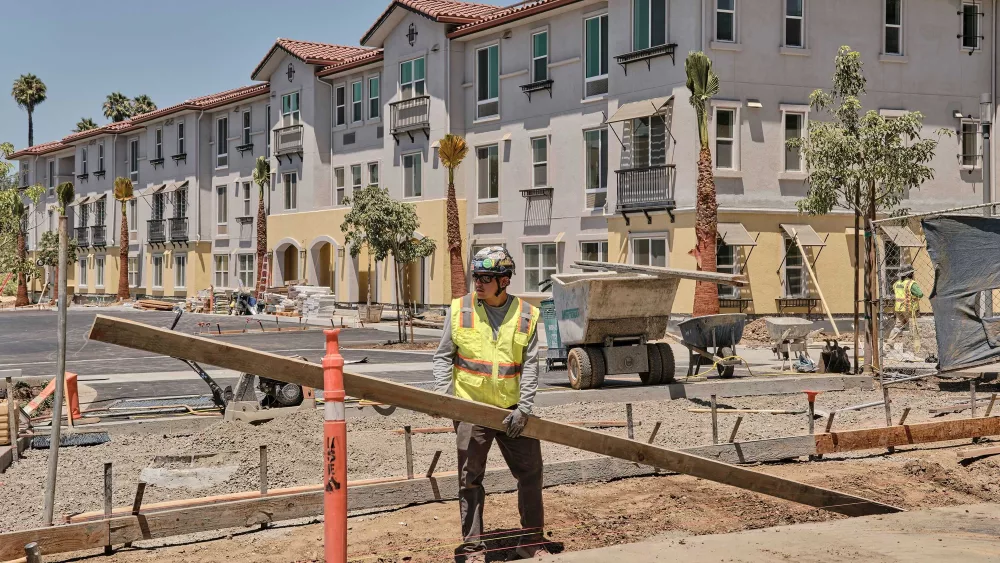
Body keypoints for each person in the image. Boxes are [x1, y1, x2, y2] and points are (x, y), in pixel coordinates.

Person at [432, 246, 548, 562]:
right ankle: (472, 548)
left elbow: (531, 364)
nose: (478, 284)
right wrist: (448, 401)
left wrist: (524, 409)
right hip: (471, 409)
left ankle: (531, 540)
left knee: (531, 474)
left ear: (504, 281)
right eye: (476, 277)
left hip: (513, 411)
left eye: (485, 277)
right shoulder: (460, 310)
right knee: (469, 480)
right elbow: (443, 357)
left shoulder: (526, 315)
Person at [887, 265, 923, 354]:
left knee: (897, 327)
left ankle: (889, 344)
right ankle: (916, 347)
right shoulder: (911, 283)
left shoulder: (897, 283)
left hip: (898, 309)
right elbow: (920, 294)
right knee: (914, 326)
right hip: (909, 308)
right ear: (910, 274)